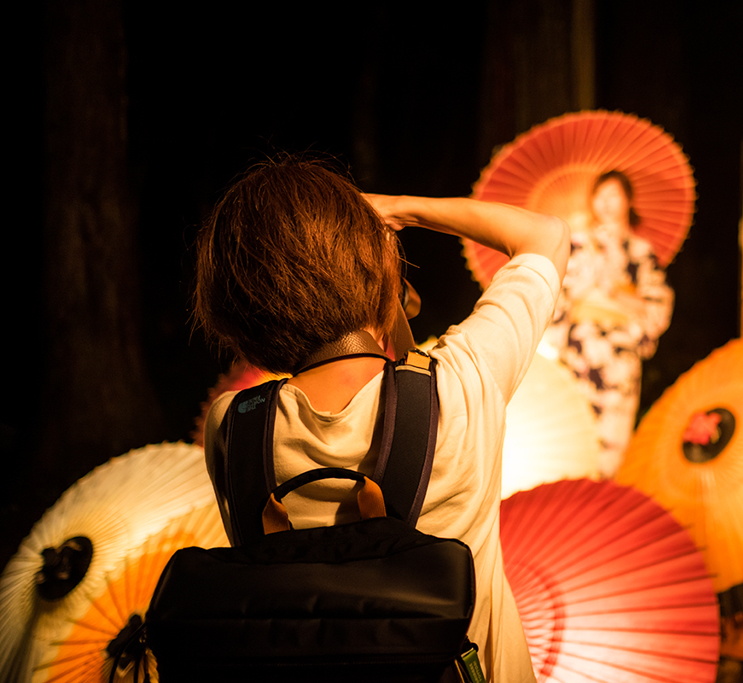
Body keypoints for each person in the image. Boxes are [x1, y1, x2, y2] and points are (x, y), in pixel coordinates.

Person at [194, 157, 569, 682]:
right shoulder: (460, 386)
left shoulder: (235, 426)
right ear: (372, 263)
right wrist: (398, 212)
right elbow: (545, 237)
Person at [542, 170, 674, 477]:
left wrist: (616, 290)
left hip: (620, 353)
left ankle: (606, 497)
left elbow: (655, 306)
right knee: (574, 429)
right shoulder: (577, 243)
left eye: (614, 194)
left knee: (613, 438)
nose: (606, 202)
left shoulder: (641, 252)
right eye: (600, 195)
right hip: (580, 350)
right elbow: (559, 296)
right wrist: (588, 279)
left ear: (628, 200)